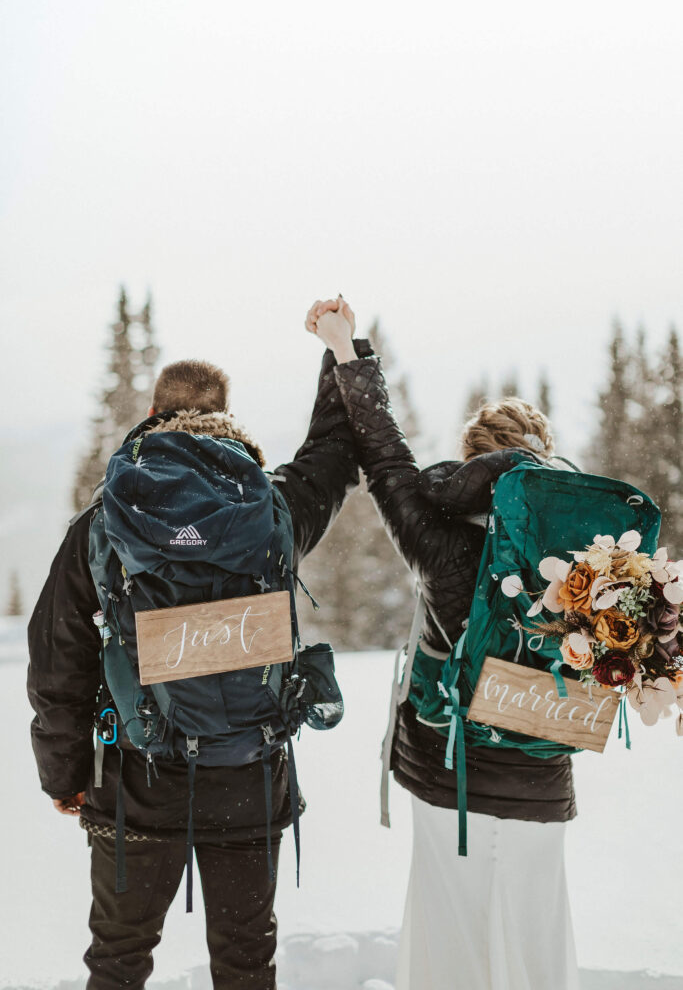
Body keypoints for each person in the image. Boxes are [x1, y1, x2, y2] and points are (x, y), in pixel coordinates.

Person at [27, 300, 373, 990]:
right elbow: (335, 454)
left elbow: (57, 661)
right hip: (249, 775)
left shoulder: (105, 523)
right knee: (246, 963)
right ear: (226, 414)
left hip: (135, 783)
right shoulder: (272, 511)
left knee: (118, 961)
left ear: (154, 414)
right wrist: (343, 351)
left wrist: (63, 774)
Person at [307, 301, 579, 990]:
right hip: (540, 762)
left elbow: (382, 453)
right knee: (534, 932)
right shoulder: (588, 545)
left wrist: (347, 350)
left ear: (471, 459)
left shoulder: (437, 535)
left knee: (448, 929)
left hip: (448, 762)